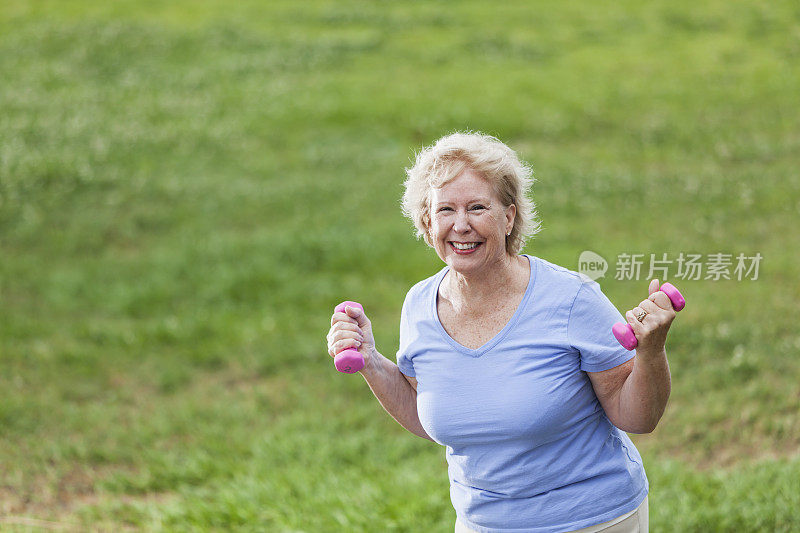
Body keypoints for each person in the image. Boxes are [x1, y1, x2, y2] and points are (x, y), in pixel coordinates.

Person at [326, 132, 676, 532]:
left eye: (477, 207)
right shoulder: (419, 306)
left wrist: (651, 352)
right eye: (445, 210)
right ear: (427, 221)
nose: (461, 225)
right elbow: (429, 414)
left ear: (508, 217)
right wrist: (371, 361)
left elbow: (638, 417)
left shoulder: (570, 299)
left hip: (592, 520)